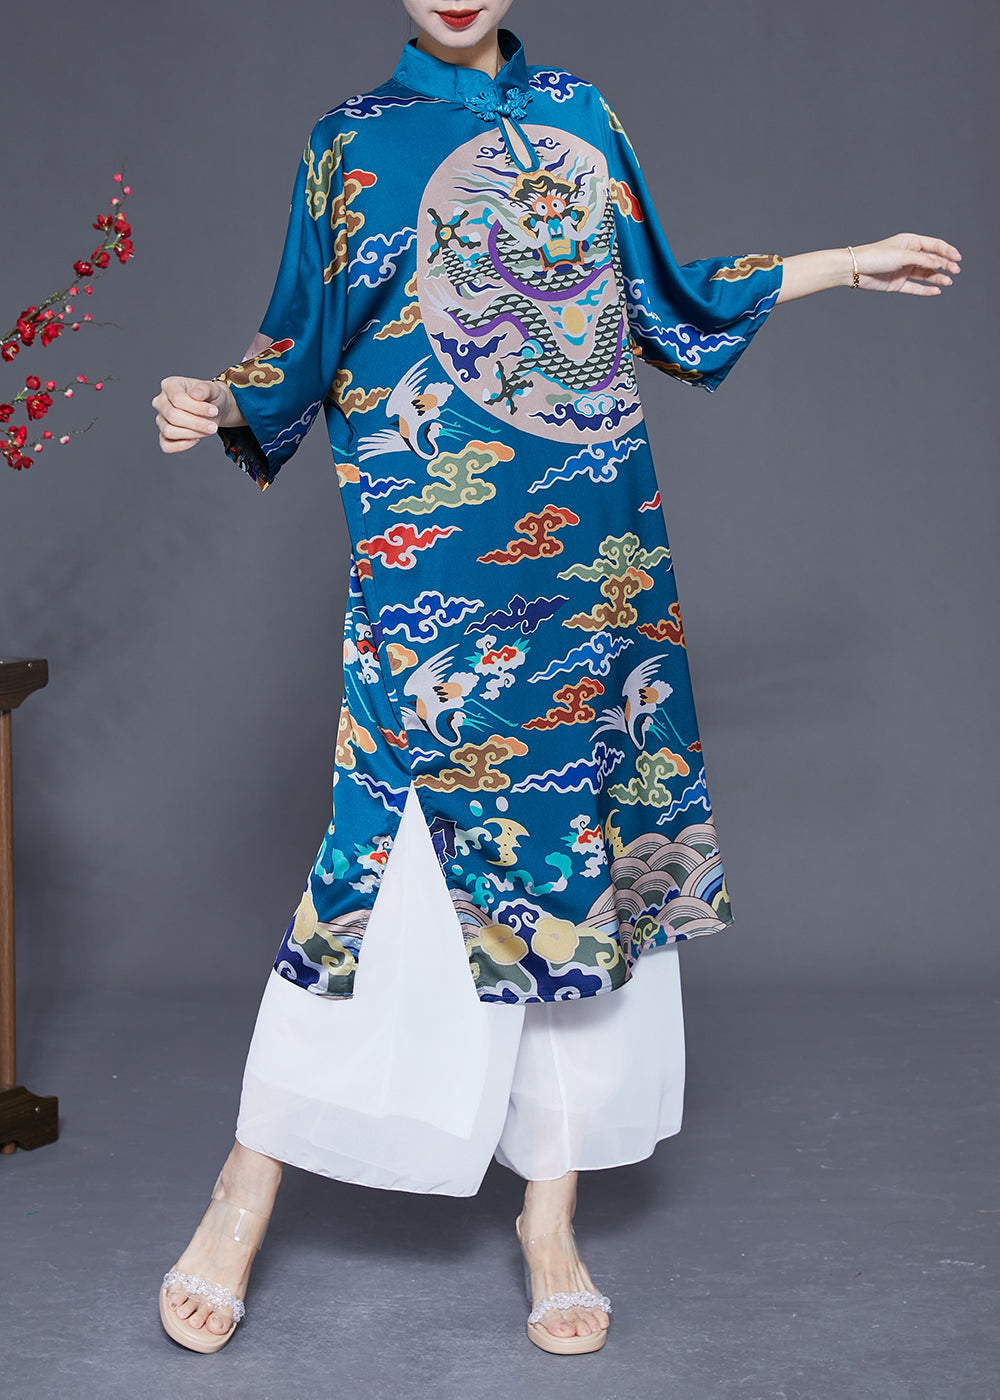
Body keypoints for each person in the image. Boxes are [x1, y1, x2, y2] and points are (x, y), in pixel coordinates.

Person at [151, 0, 960, 1358]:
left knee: (582, 848)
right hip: (429, 557)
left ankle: (550, 1215)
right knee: (385, 859)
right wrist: (221, 398)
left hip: (593, 557)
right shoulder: (351, 143)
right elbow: (299, 342)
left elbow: (666, 302)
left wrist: (842, 264)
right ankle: (247, 1187)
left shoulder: (582, 117)